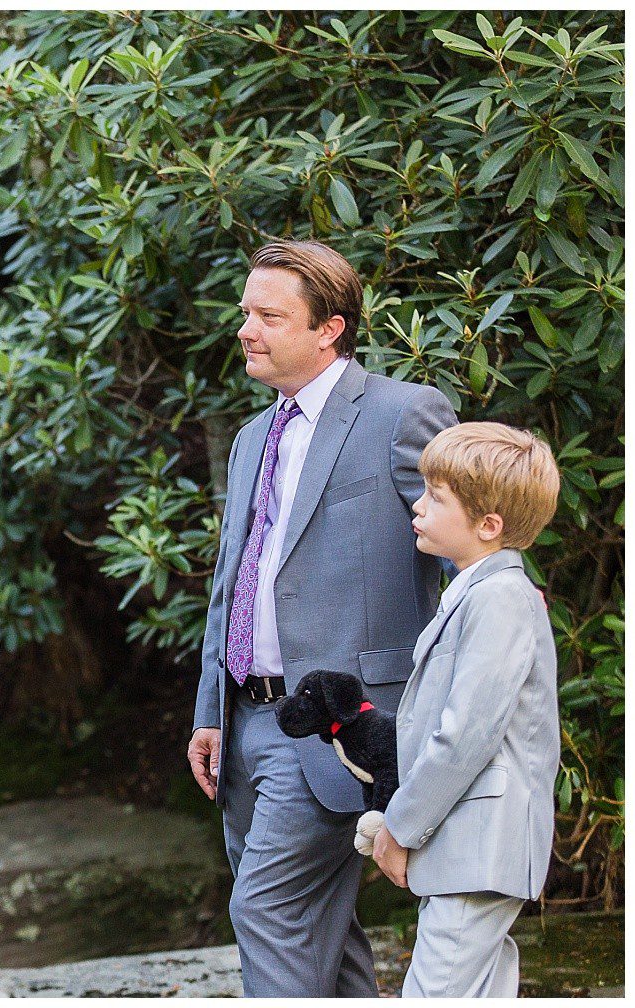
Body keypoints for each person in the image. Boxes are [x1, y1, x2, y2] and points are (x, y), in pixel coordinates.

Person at [187, 240, 458, 996]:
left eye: (270, 316)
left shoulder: (405, 414)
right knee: (324, 936)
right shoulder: (250, 439)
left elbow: (467, 541)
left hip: (341, 726)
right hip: (246, 725)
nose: (246, 329)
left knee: (269, 911)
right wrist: (211, 711)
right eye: (246, 312)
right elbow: (233, 582)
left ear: (329, 329)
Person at [372, 422, 560, 996]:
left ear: (488, 525)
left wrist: (399, 827)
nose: (419, 505)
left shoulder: (500, 599)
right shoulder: (479, 593)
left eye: (437, 497)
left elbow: (464, 736)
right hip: (472, 847)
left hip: (480, 846)